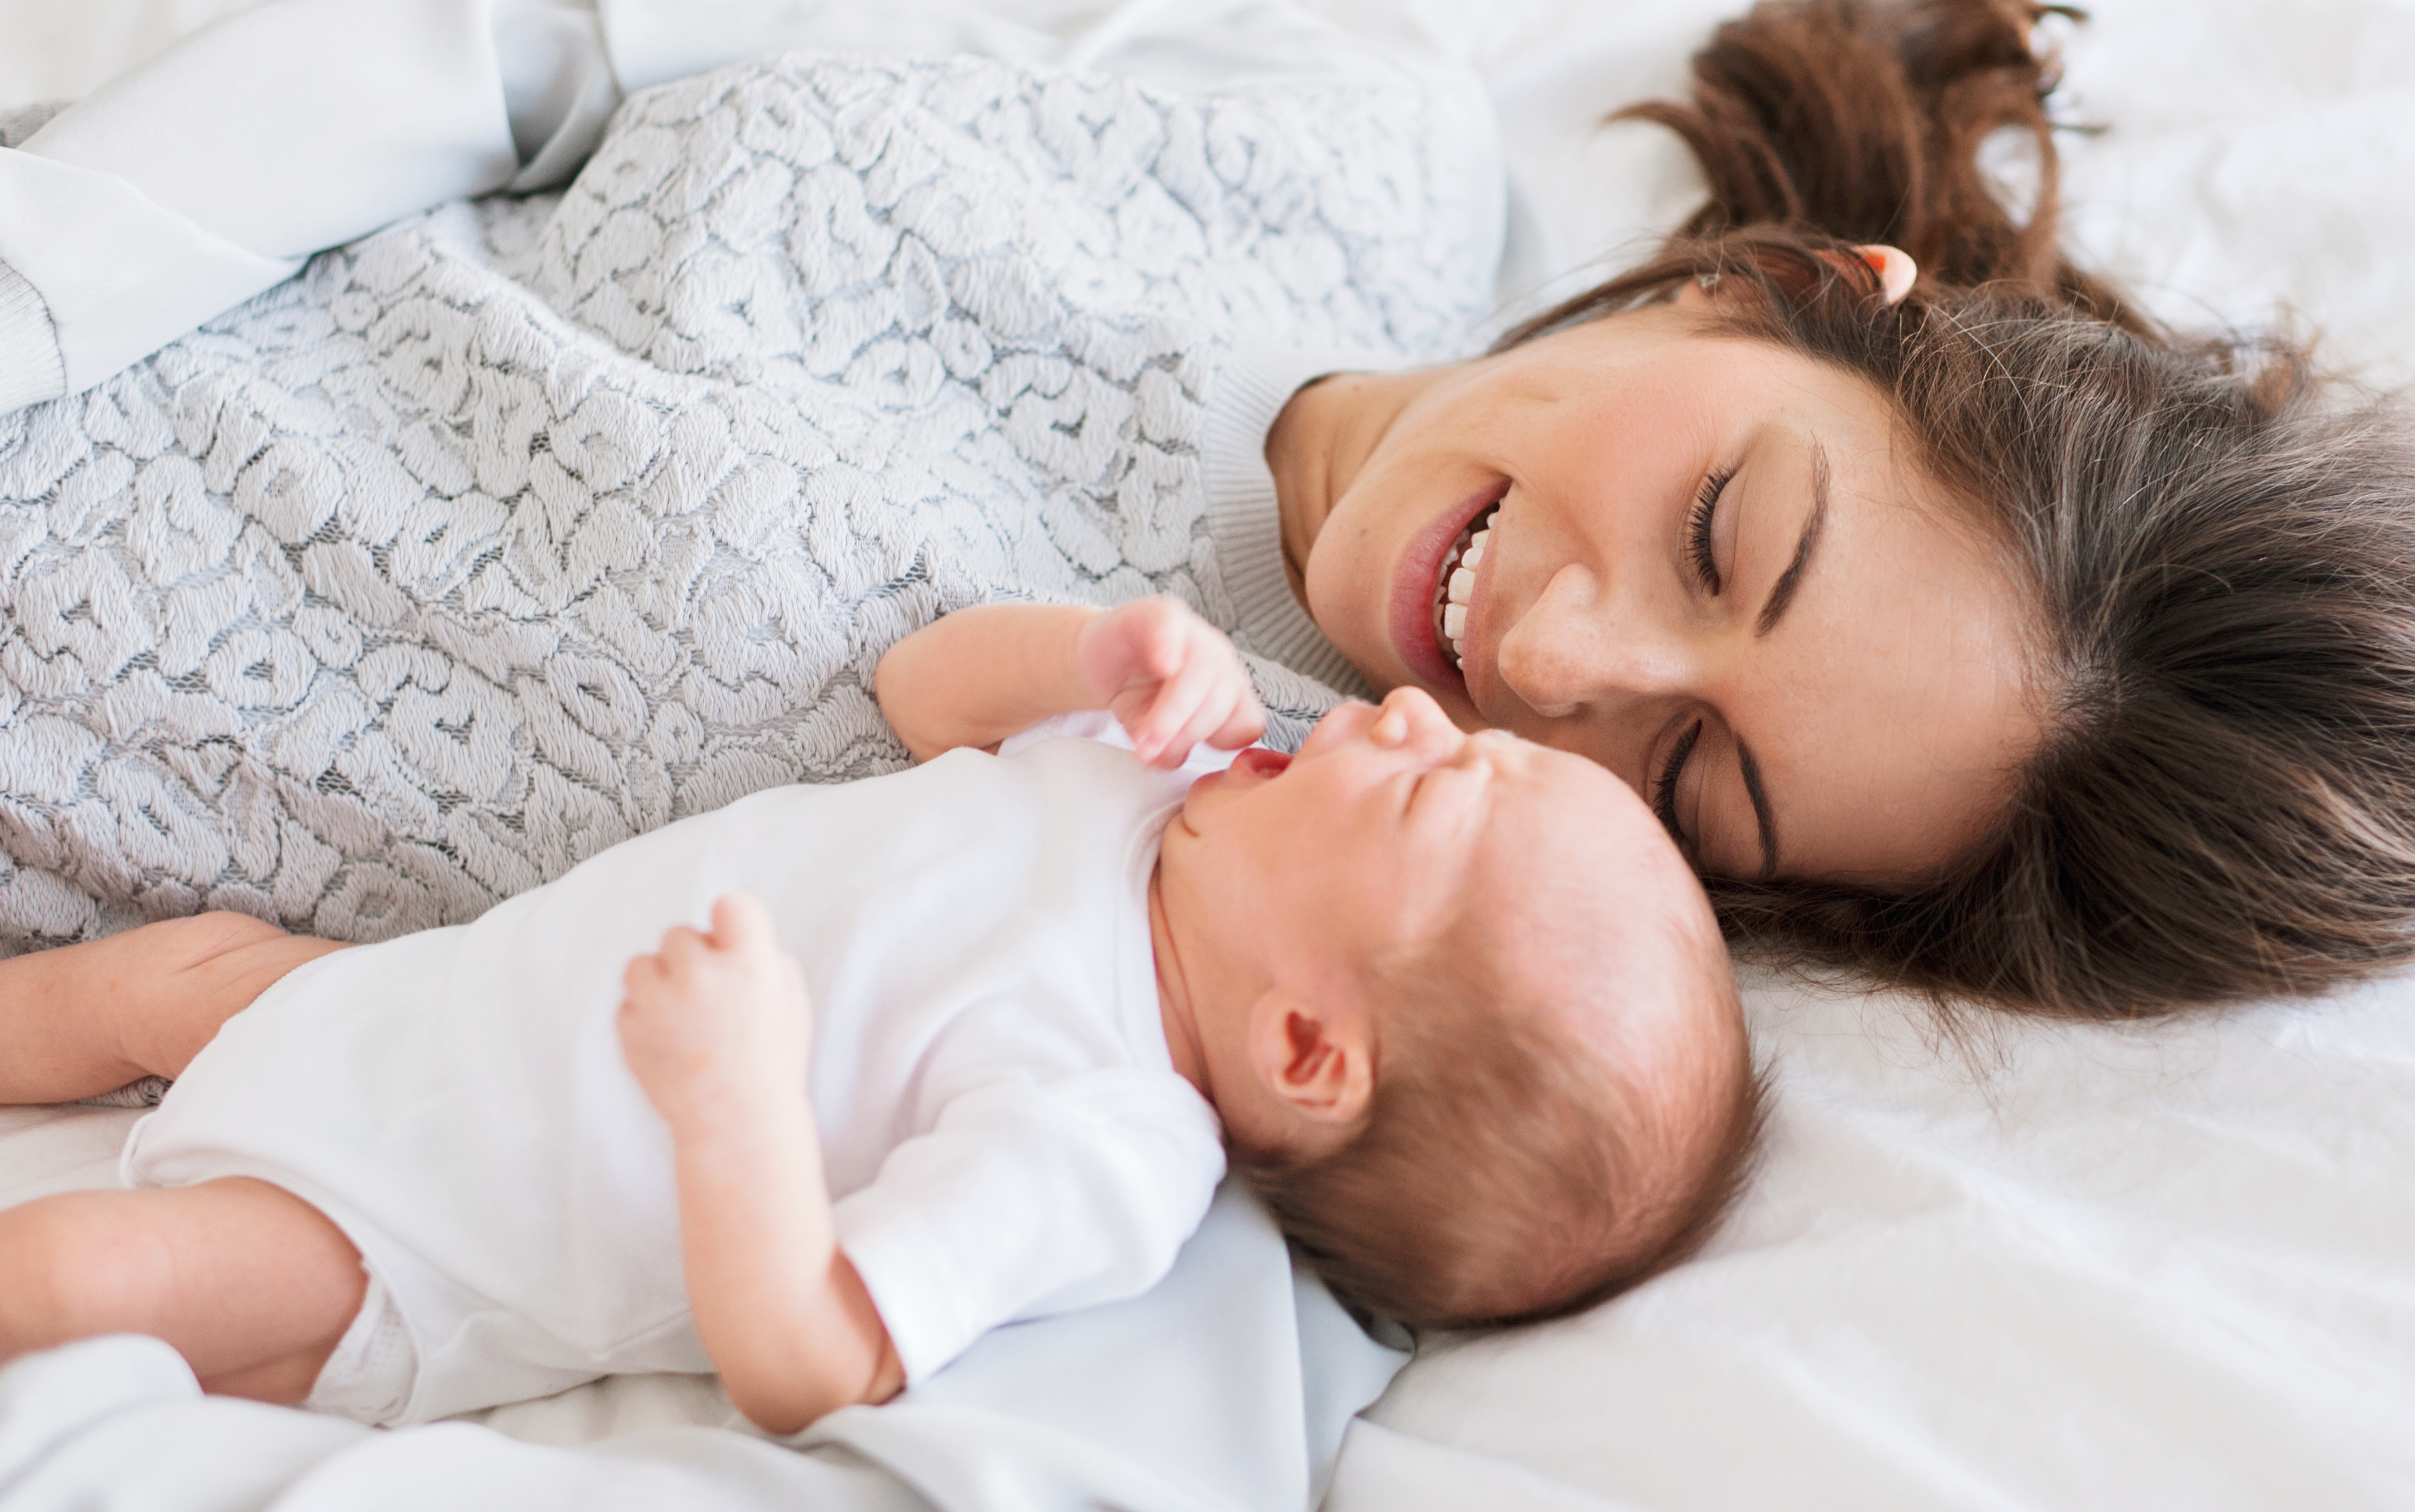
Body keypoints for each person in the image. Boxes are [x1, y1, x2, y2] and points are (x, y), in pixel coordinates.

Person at [0, 0, 2415, 1023]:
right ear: (1796, 290)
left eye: (1690, 783)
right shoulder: (1330, 131)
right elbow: (525, 45)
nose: (1553, 662)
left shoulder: (1240, 865)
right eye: (1725, 535)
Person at [0, 594, 1762, 1433]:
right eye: (1471, 736)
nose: (1398, 711)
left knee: (86, 1276)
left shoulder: (1105, 1138)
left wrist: (739, 1104)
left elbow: (804, 1356)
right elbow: (923, 692)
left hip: (425, 1230)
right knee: (161, 974)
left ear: (1309, 1049)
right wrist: (1091, 659)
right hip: (410, 1013)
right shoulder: (1180, 783)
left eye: (1429, 789)